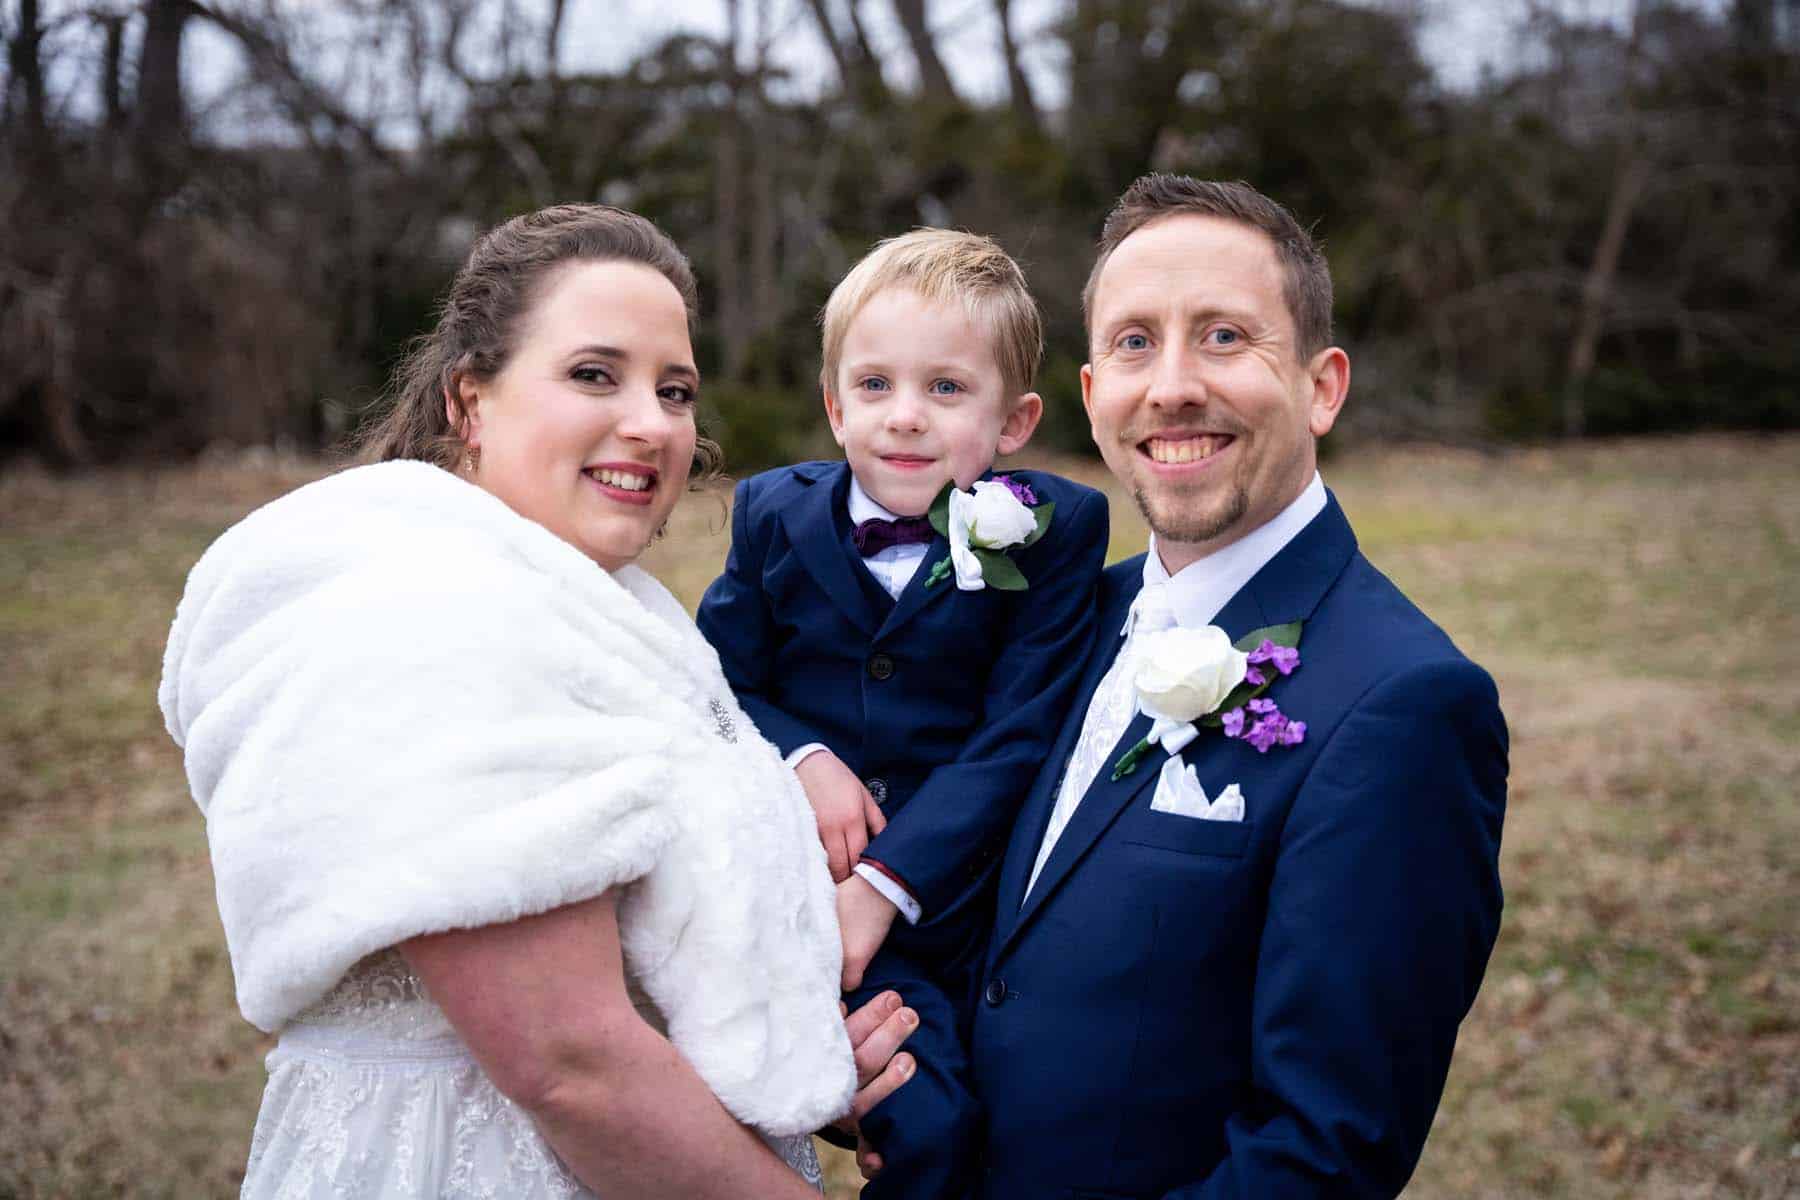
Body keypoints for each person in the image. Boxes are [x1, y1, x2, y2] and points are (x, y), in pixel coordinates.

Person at [157, 204, 915, 1198]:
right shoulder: (433, 614)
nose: (652, 422)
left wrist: (790, 1064)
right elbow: (571, 1067)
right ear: (470, 400)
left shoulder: (601, 618)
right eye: (594, 374)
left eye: (676, 389)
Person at [955, 175, 1509, 1198]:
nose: (1169, 387)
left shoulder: (1407, 706)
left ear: (1322, 385)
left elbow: (1323, 1154)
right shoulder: (1059, 625)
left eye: (1222, 337)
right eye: (1133, 343)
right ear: (1091, 397)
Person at [696, 229, 1109, 1198]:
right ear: (835, 405)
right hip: (799, 899)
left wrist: (885, 881)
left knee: (1013, 1128)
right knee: (922, 1120)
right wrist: (801, 754)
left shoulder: (1057, 530)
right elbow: (710, 685)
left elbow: (1019, 733)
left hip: (967, 901)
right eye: (875, 386)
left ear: (1014, 420)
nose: (906, 418)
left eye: (948, 389)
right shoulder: (770, 516)